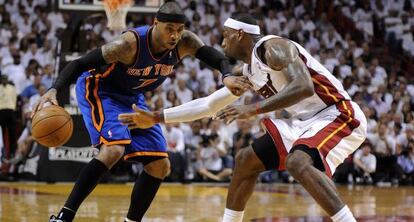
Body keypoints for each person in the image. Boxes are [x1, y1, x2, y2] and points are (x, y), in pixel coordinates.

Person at [120, 13, 367, 222]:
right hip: (304, 122)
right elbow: (209, 105)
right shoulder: (249, 70)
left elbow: (303, 86)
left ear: (240, 34)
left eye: (226, 36)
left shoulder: (274, 48)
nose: (222, 41)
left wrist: (252, 109)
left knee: (297, 162)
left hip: (337, 113)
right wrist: (156, 117)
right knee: (245, 160)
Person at [32, 2, 250, 222]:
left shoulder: (185, 42)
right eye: (169, 29)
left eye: (179, 29)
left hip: (132, 97)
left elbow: (218, 58)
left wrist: (226, 75)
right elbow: (79, 64)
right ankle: (64, 217)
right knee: (113, 149)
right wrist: (53, 90)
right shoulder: (128, 45)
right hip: (100, 89)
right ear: (156, 24)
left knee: (160, 166)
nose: (175, 35)